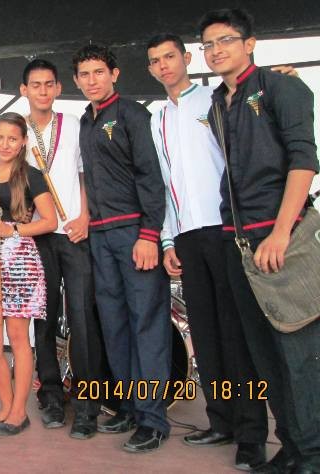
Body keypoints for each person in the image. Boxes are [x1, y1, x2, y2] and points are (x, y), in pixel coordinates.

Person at [199, 9, 320, 473]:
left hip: (280, 241)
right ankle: (291, 450)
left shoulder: (282, 87)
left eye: (226, 40)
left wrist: (281, 232)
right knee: (266, 359)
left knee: (300, 357)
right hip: (239, 243)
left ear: (250, 43)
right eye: (208, 44)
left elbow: (303, 162)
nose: (216, 50)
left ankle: (312, 455)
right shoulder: (217, 102)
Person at [146, 33, 269, 469]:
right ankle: (221, 421)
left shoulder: (216, 100)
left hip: (225, 230)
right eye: (155, 61)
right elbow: (162, 185)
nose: (163, 65)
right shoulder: (156, 117)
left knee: (239, 336)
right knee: (206, 335)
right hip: (185, 239)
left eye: (169, 57)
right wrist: (166, 239)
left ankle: (252, 432)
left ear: (187, 58)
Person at [73, 44, 171, 453]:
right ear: (77, 80)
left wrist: (150, 234)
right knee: (114, 324)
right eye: (85, 74)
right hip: (100, 235)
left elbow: (151, 176)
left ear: (114, 73)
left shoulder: (133, 114)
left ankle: (153, 419)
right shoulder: (85, 120)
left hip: (134, 232)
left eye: (99, 72)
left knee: (146, 323)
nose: (92, 80)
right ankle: (131, 406)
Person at [19, 59, 104, 439]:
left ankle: (87, 405)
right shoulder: (15, 131)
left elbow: (87, 174)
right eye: (34, 84)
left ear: (57, 88)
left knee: (83, 318)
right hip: (38, 235)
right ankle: (50, 395)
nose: (41, 90)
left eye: (48, 84)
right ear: (24, 90)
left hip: (74, 233)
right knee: (45, 317)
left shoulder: (74, 124)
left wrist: (85, 215)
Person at [0, 112, 57, 436]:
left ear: (23, 142)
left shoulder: (31, 175)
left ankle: (19, 411)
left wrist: (11, 229)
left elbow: (49, 221)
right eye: (0, 137)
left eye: (12, 138)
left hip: (19, 258)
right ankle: (5, 405)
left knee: (18, 338)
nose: (5, 144)